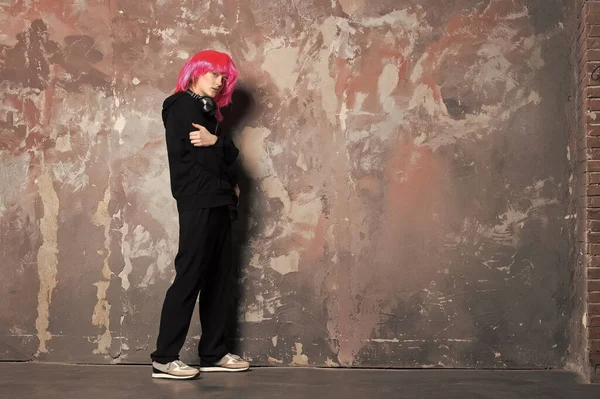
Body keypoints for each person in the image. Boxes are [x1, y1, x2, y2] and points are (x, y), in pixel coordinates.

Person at [150, 50, 249, 380]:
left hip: (218, 199)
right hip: (198, 199)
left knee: (219, 278)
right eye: (213, 74)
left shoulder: (209, 113)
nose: (219, 82)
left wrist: (217, 145)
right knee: (190, 274)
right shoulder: (183, 106)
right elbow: (207, 159)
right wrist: (220, 150)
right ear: (195, 73)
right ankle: (164, 357)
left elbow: (225, 155)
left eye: (224, 77)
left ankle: (213, 353)